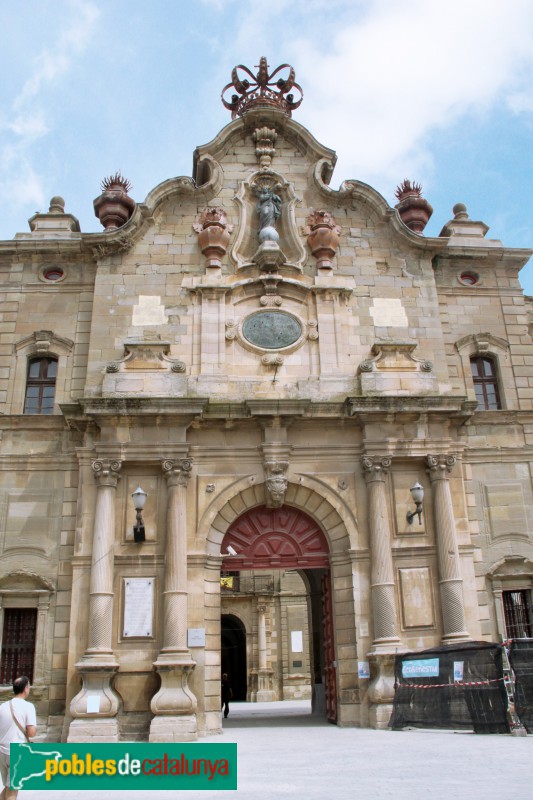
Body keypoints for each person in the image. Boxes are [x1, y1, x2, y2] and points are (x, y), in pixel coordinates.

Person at [0, 676, 37, 800]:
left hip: (2, 751)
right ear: (26, 688)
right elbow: (31, 732)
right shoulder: (28, 706)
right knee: (12, 791)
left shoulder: (3, 706)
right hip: (17, 752)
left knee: (7, 787)